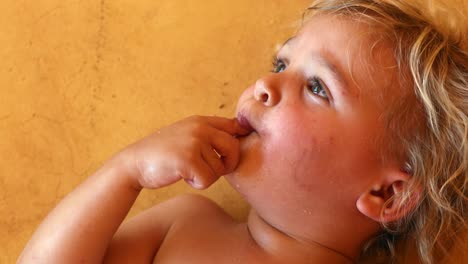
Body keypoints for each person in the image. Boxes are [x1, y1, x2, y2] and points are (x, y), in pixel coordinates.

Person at [18, 0, 467, 263]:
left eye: (316, 87)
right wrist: (125, 172)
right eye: (280, 64)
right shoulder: (186, 224)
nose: (265, 85)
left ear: (388, 195)